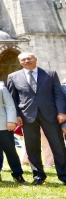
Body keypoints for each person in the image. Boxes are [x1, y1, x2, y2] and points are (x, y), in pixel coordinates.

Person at [7, 52, 66, 185]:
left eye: (29, 58)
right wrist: (16, 115)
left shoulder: (50, 74)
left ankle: (63, 174)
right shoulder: (13, 77)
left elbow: (58, 94)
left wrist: (61, 112)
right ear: (20, 62)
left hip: (50, 115)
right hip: (27, 116)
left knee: (58, 146)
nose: (26, 61)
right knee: (32, 147)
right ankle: (38, 176)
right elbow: (12, 99)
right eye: (23, 59)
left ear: (36, 59)